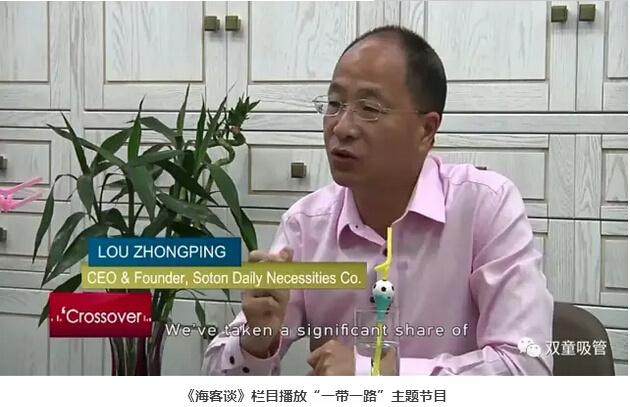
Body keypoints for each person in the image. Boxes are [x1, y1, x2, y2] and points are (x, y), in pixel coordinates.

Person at [201, 25, 554, 376]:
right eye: (334, 104)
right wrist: (255, 342)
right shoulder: (306, 225)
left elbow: (527, 367)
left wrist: (376, 375)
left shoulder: (484, 207)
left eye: (369, 108)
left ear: (426, 130)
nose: (341, 127)